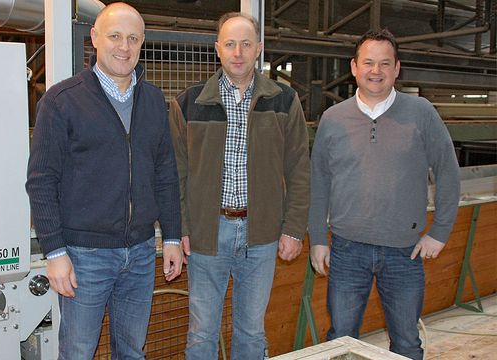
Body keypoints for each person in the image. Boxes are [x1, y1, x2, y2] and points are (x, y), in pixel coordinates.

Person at [26, 3, 183, 359]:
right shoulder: (62, 101)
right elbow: (40, 180)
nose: (123, 47)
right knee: (79, 352)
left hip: (141, 251)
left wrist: (171, 236)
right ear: (95, 38)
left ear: (142, 42)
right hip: (85, 255)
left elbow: (166, 174)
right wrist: (55, 252)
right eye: (114, 36)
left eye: (132, 38)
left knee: (132, 350)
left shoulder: (155, 101)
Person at [308, 29, 460, 360]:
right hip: (347, 250)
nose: (375, 71)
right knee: (341, 340)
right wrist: (318, 238)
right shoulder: (333, 119)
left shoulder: (421, 113)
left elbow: (448, 171)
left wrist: (440, 231)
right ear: (354, 67)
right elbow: (318, 181)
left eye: (384, 63)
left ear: (397, 68)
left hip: (404, 253)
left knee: (406, 342)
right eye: (368, 63)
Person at [169, 12, 310, 359]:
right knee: (201, 332)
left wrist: (293, 229)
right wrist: (182, 227)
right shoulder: (188, 104)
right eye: (230, 44)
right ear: (218, 48)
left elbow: (299, 170)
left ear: (258, 49)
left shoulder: (284, 101)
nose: (237, 52)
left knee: (251, 331)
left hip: (260, 235)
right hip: (206, 235)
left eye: (246, 44)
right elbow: (177, 175)